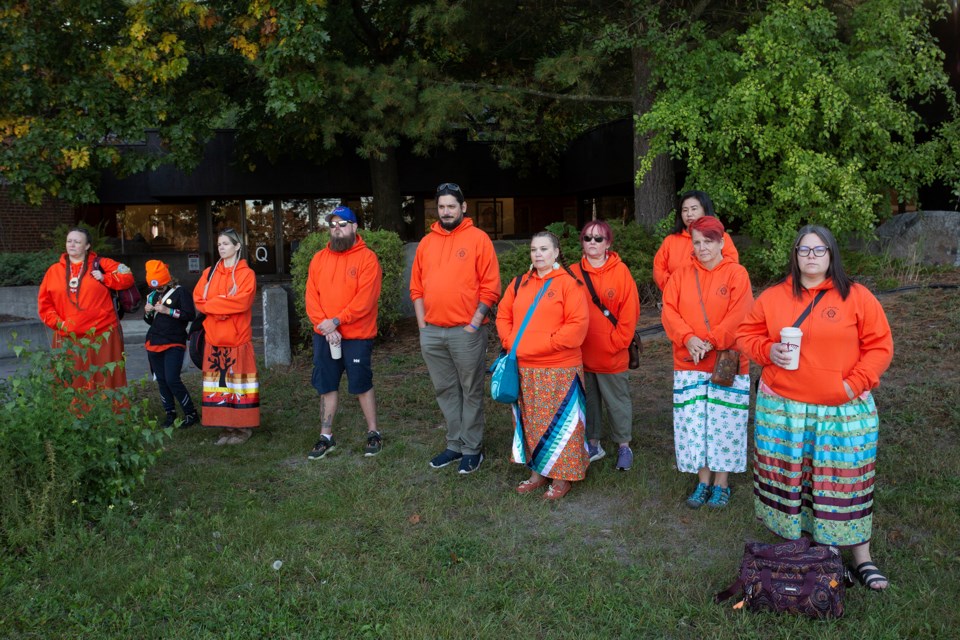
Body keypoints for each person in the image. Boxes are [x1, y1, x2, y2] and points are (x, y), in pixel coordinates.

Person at [737, 224, 893, 590]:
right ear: (794, 255)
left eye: (819, 250)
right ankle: (809, 552)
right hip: (785, 407)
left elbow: (880, 346)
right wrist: (767, 350)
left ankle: (862, 559)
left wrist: (851, 385)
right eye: (804, 250)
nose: (811, 257)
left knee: (846, 482)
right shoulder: (774, 297)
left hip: (841, 408)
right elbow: (747, 334)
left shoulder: (856, 297)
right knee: (796, 482)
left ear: (831, 255)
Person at [661, 216, 754, 509]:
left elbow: (740, 315)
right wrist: (688, 338)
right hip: (689, 362)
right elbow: (669, 312)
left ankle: (721, 483)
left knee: (725, 423)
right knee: (695, 424)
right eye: (697, 242)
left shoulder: (737, 274)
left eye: (708, 241)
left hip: (726, 362)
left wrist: (711, 341)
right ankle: (702, 482)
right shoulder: (680, 275)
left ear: (722, 242)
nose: (702, 248)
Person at [411, 182, 501, 474]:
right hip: (433, 332)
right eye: (441, 207)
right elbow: (416, 288)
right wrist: (423, 325)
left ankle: (472, 448)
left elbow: (490, 287)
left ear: (463, 207)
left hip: (467, 331)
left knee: (470, 389)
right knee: (445, 389)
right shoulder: (426, 243)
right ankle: (454, 444)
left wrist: (474, 324)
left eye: (451, 206)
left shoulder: (478, 239)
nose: (446, 211)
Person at [496, 231, 590, 500]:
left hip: (559, 368)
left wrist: (534, 345)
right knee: (532, 422)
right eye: (534, 249)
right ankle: (537, 473)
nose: (538, 254)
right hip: (524, 369)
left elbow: (576, 329)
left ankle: (561, 478)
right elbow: (503, 315)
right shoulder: (519, 284)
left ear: (556, 253)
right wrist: (511, 340)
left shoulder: (569, 285)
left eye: (544, 249)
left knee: (561, 424)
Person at [304, 206, 384, 460]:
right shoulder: (318, 259)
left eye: (342, 224)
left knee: (361, 383)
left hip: (357, 334)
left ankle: (373, 433)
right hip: (325, 334)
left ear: (354, 227)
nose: (337, 229)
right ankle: (326, 436)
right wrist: (325, 327)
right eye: (332, 225)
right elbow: (311, 298)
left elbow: (365, 300)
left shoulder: (367, 258)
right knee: (327, 384)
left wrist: (337, 321)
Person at [569, 220, 640, 471]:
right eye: (588, 238)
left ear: (608, 243)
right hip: (581, 353)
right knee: (589, 401)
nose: (593, 243)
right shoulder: (571, 272)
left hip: (612, 354)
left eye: (599, 239)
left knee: (617, 401)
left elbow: (630, 314)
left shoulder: (621, 272)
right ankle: (594, 444)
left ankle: (624, 446)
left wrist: (617, 343)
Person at [37, 227, 135, 392]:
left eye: (77, 241)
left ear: (87, 245)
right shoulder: (54, 271)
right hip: (68, 335)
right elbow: (45, 304)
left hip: (102, 334)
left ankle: (108, 415)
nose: (72, 244)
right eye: (69, 241)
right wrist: (60, 324)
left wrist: (106, 278)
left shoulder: (102, 264)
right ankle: (72, 415)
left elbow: (127, 277)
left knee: (105, 379)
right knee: (71, 379)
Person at [193, 228, 259, 445]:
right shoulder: (209, 273)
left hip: (237, 340)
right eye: (219, 244)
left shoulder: (246, 274)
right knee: (220, 387)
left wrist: (215, 305)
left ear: (237, 246)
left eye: (226, 244)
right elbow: (199, 301)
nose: (221, 247)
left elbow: (242, 302)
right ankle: (226, 426)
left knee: (239, 386)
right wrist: (223, 304)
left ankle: (242, 428)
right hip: (214, 339)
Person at [143, 259, 199, 428]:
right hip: (154, 341)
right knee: (161, 380)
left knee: (172, 379)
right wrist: (147, 312)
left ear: (167, 280)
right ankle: (170, 414)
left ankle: (191, 413)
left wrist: (169, 311)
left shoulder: (180, 292)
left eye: (160, 286)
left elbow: (190, 315)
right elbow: (150, 321)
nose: (158, 289)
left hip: (174, 340)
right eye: (155, 287)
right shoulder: (152, 295)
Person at [653, 190, 739, 291]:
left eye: (694, 209)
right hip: (677, 296)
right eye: (685, 210)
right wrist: (675, 288)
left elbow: (731, 265)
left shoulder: (719, 237)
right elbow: (658, 270)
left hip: (713, 296)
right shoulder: (670, 241)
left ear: (705, 210)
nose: (689, 214)